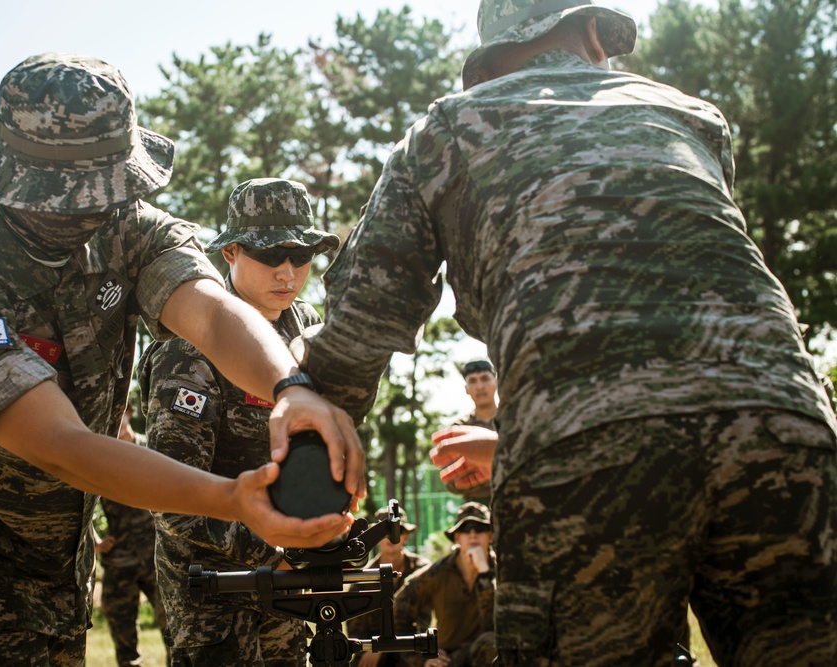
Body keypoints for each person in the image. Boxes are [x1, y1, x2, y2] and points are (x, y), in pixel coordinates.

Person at [295, 0, 837, 664]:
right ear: (592, 32)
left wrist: (307, 461)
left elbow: (362, 322)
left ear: (489, 64)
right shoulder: (691, 114)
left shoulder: (451, 126)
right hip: (783, 421)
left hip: (586, 445)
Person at [0, 53, 363, 665]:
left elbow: (209, 311)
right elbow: (61, 444)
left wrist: (290, 387)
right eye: (73, 194)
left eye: (107, 189)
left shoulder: (123, 224)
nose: (95, 208)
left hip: (65, 554)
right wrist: (232, 500)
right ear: (12, 179)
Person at [137, 177, 339, 666]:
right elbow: (172, 497)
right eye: (270, 256)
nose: (288, 272)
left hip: (287, 578)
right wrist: (273, 555)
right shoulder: (188, 347)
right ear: (229, 253)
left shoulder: (309, 331)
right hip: (213, 591)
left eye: (301, 255)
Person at [94, 407, 168, 667]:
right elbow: (77, 497)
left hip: (157, 557)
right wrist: (95, 540)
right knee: (123, 637)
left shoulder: (151, 450)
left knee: (173, 629)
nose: (119, 420)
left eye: (123, 413)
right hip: (119, 561)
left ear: (128, 416)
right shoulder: (100, 460)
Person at [390, 503, 495, 667]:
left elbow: (498, 622)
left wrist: (484, 573)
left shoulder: (504, 572)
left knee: (493, 643)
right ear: (457, 537)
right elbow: (398, 611)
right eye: (466, 530)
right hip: (449, 659)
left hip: (491, 657)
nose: (473, 535)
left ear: (491, 536)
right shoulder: (437, 573)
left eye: (480, 528)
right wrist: (422, 656)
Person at [347, 507, 430, 667]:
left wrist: (385, 646)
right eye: (384, 532)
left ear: (405, 536)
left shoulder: (421, 571)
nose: (390, 538)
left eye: (396, 531)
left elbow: (424, 619)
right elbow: (355, 629)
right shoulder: (363, 577)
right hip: (373, 652)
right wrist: (374, 648)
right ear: (376, 538)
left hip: (414, 647)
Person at [438, 360, 497, 504]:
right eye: (473, 381)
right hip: (475, 506)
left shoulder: (513, 420)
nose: (480, 386)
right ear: (466, 388)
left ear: (496, 382)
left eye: (485, 378)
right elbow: (452, 481)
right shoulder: (458, 430)